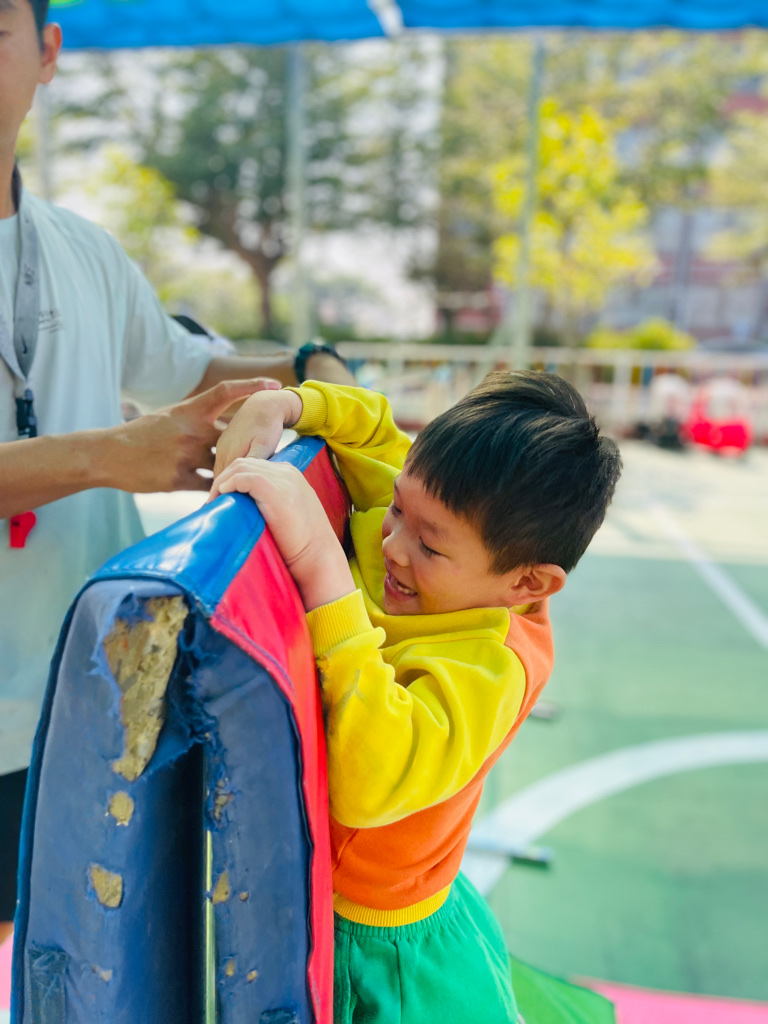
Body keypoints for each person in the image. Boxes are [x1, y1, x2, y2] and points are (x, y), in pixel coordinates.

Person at [0, 0, 354, 943]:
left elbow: (189, 368)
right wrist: (109, 455)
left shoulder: (78, 249)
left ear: (47, 52)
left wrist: (307, 369)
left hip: (84, 694)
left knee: (61, 953)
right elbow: (134, 431)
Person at [210, 371, 622, 1022]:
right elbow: (375, 429)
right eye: (398, 509)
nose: (393, 546)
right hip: (326, 888)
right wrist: (283, 403)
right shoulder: (430, 512)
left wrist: (323, 569)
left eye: (429, 546)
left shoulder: (493, 667)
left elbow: (370, 786)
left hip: (376, 945)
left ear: (526, 584)